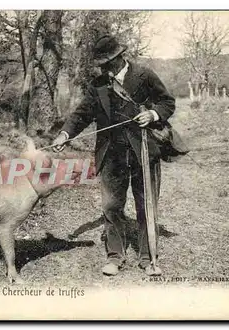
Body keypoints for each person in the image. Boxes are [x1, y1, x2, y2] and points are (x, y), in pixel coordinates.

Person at [51, 35, 176, 276]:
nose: (105, 69)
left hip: (144, 150)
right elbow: (82, 114)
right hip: (111, 154)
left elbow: (167, 103)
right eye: (102, 65)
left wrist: (152, 114)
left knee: (146, 204)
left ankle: (147, 256)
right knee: (111, 206)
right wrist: (65, 134)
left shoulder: (145, 75)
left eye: (108, 64)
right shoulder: (98, 84)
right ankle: (115, 256)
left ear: (119, 59)